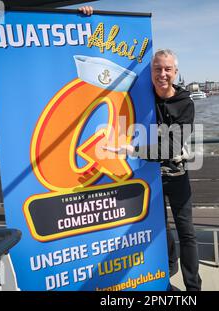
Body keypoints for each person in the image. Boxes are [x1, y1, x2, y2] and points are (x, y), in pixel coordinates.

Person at [78, 6, 202, 291]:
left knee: (187, 234)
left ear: (176, 72)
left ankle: (194, 289)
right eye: (157, 69)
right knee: (160, 232)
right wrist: (88, 19)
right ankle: (165, 279)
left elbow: (171, 146)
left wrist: (128, 148)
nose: (162, 74)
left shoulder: (185, 103)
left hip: (177, 177)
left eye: (167, 69)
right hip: (148, 178)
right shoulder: (143, 95)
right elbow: (107, 70)